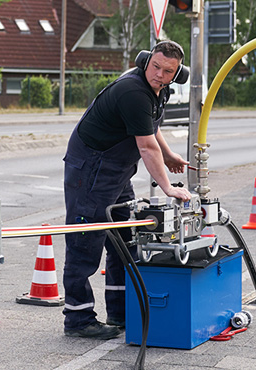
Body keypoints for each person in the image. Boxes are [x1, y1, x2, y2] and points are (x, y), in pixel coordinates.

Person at [61, 40, 193, 339]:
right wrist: (167, 187)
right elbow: (146, 146)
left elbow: (151, 126)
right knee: (86, 241)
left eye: (167, 71)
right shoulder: (132, 90)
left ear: (177, 74)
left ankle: (120, 313)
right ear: (145, 61)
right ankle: (78, 319)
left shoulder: (159, 91)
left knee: (125, 241)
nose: (158, 74)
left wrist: (169, 154)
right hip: (92, 169)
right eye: (155, 67)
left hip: (117, 172)